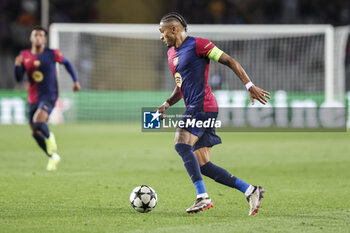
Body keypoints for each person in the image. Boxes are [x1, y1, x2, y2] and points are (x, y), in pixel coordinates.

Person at [157, 12, 271, 215]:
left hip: (202, 106)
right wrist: (166, 104)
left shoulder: (199, 44)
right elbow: (180, 86)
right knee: (203, 164)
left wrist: (249, 85)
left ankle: (202, 197)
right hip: (198, 107)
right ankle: (251, 190)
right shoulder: (171, 54)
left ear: (174, 29)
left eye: (162, 31)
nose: (161, 36)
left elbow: (230, 61)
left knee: (181, 144)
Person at [14, 26, 81, 171]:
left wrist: (75, 81)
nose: (38, 37)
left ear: (44, 39)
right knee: (34, 132)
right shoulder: (24, 55)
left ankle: (50, 137)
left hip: (49, 94)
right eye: (35, 35)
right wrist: (17, 65)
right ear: (31, 38)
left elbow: (67, 64)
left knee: (38, 121)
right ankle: (52, 157)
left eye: (41, 35)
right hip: (32, 97)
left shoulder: (52, 53)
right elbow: (19, 78)